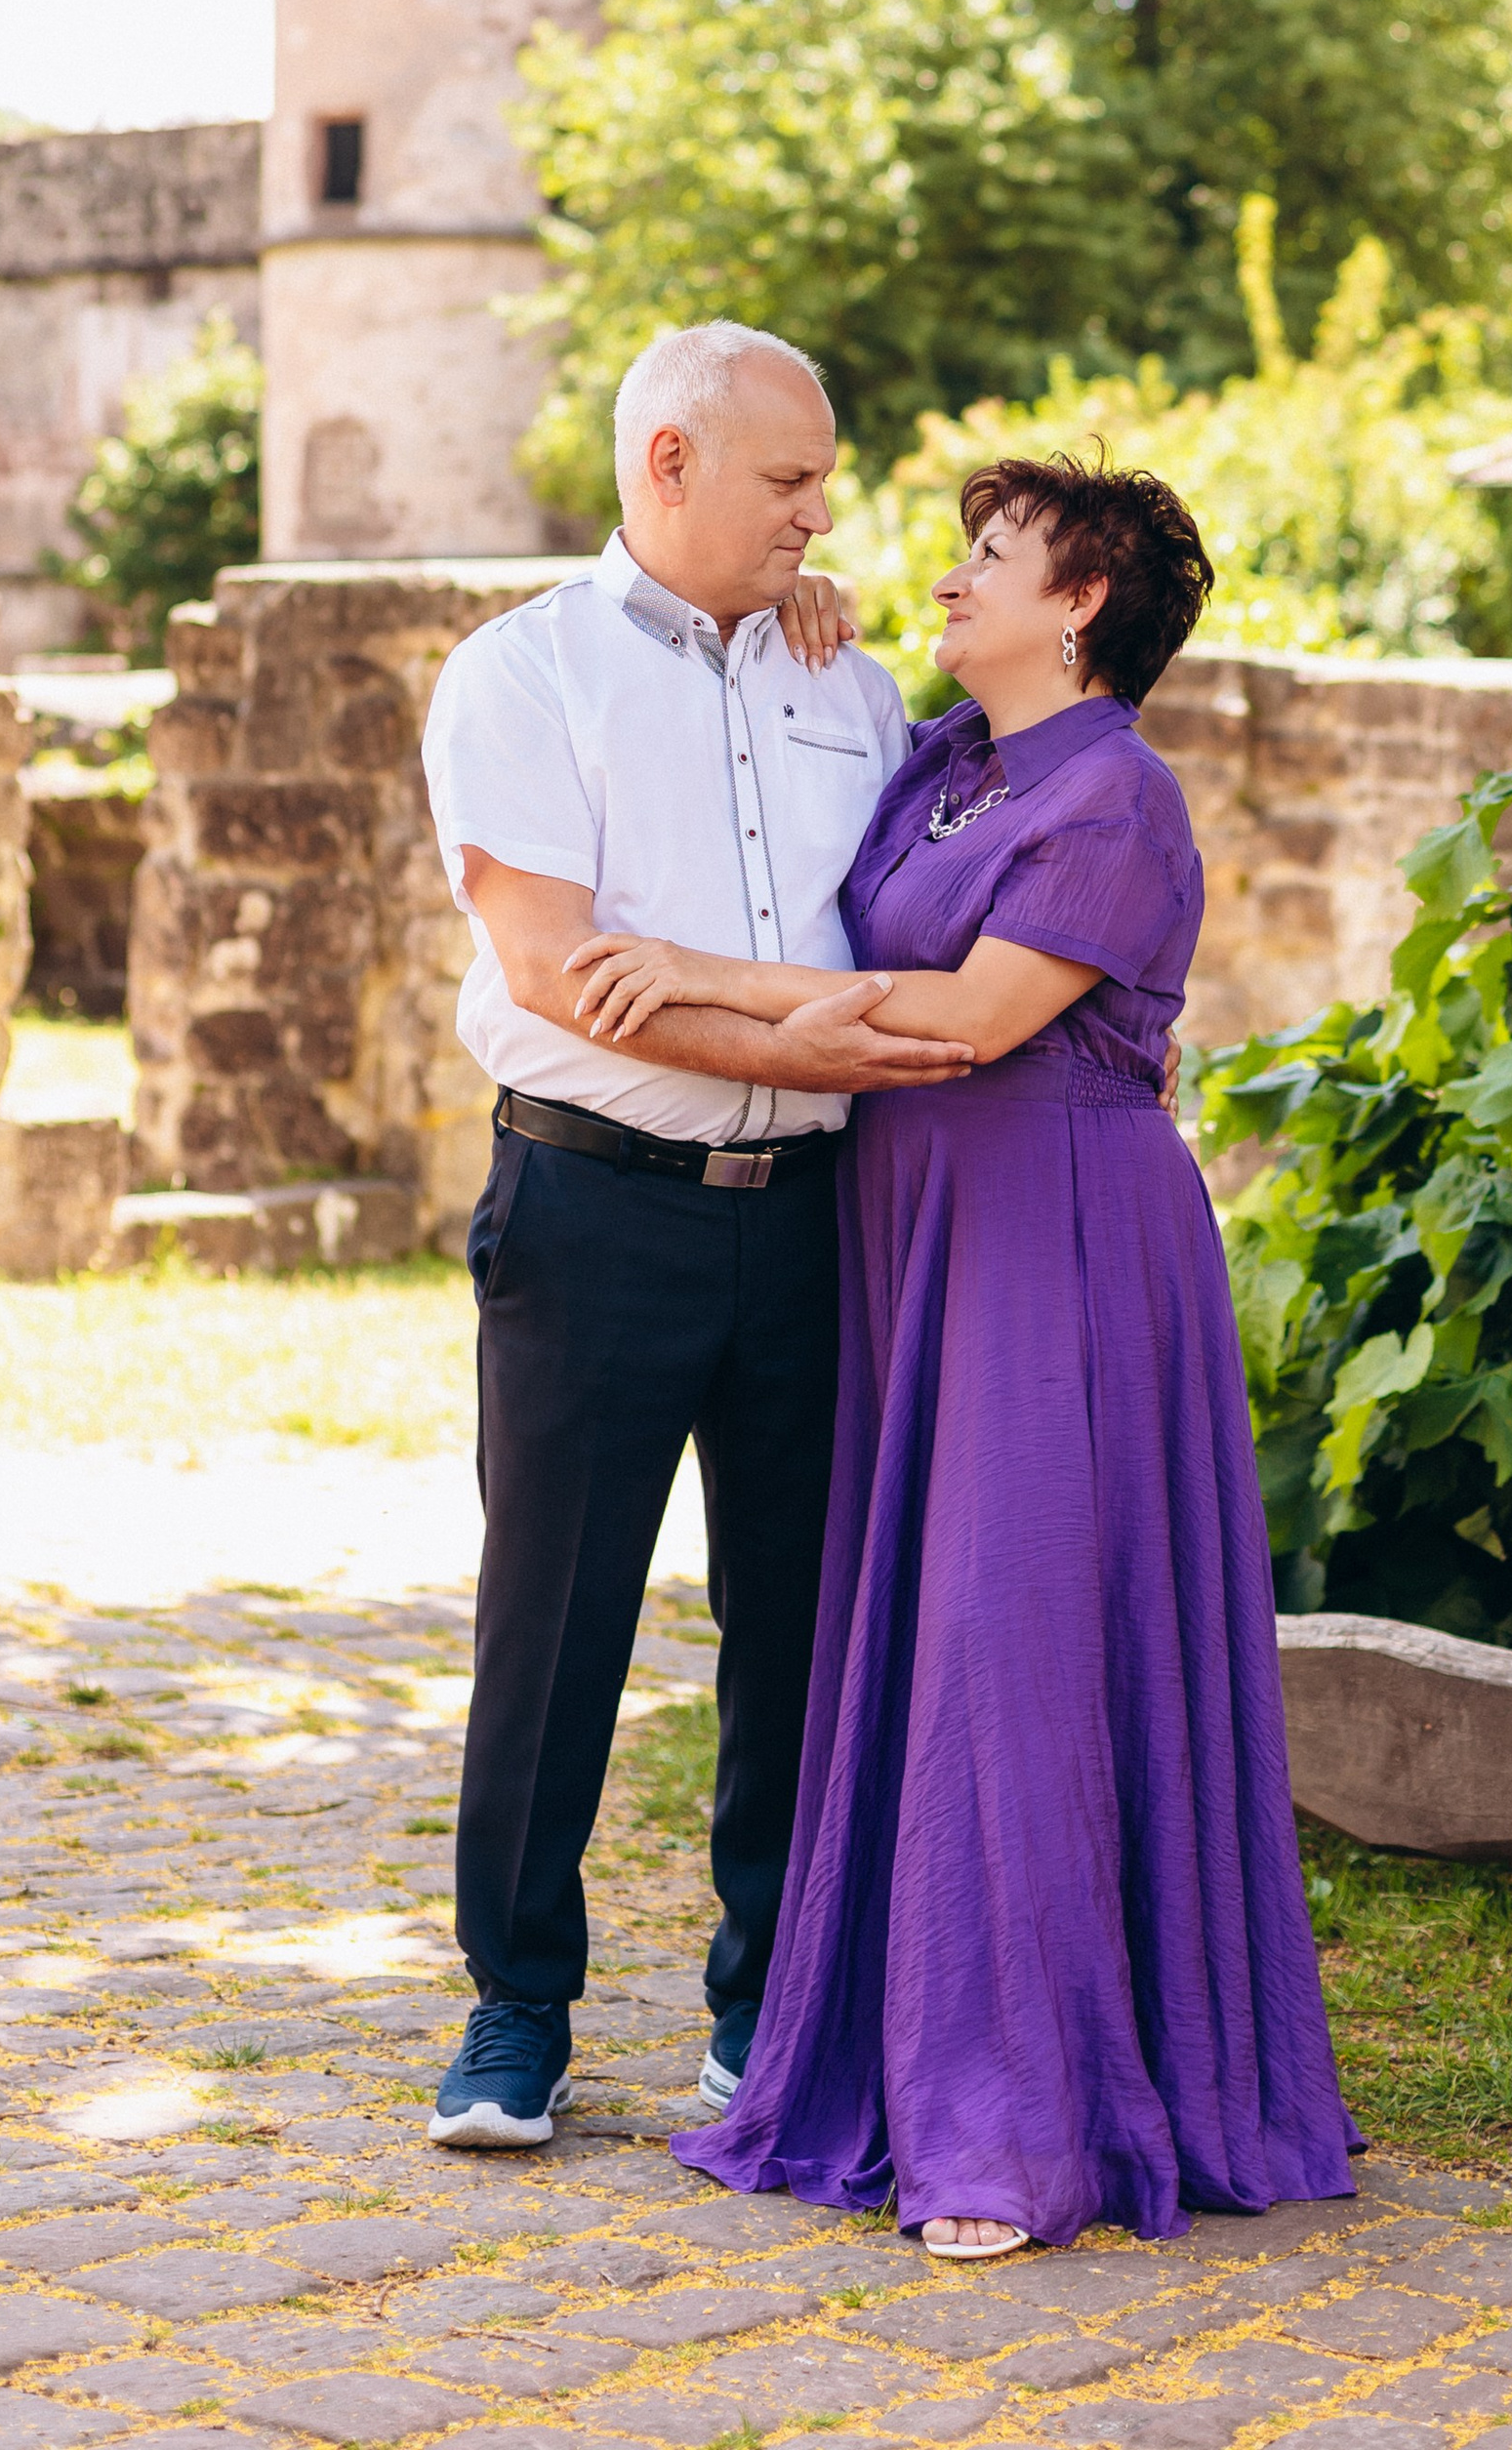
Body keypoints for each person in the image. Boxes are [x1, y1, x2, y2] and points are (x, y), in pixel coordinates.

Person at [564, 455, 1360, 2256]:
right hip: (916, 1241)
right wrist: (797, 614)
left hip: (1056, 1249)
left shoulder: (1120, 797)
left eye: (989, 556)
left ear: (1078, 605)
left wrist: (689, 976)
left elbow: (965, 1022)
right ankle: (915, 2050)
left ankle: (1013, 2122)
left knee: (1013, 1646)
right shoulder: (950, 759)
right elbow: (866, 918)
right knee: (926, 1641)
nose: (951, 572)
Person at [417, 320, 973, 2152]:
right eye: (791, 480)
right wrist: (817, 1028)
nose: (825, 512)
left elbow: (910, 910)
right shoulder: (522, 678)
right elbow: (557, 972)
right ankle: (516, 2009)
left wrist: (818, 1044)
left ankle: (771, 2004)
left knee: (801, 1627)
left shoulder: (853, 682)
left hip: (818, 1220)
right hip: (592, 1207)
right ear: (670, 462)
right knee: (554, 1619)